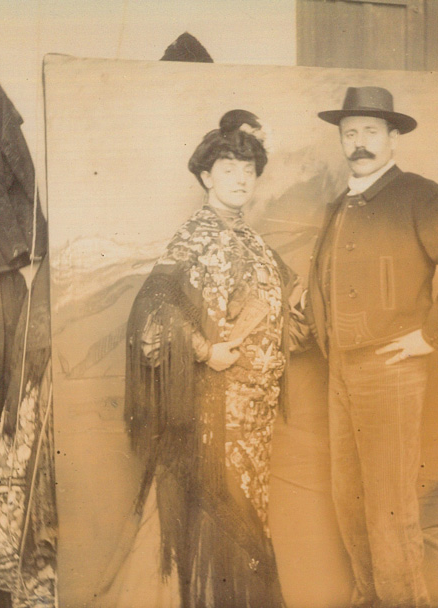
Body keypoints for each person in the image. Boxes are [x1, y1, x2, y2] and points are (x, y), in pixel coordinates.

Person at [307, 86, 438, 607]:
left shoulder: (419, 195)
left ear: (394, 137)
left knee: (388, 510)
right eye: (350, 134)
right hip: (341, 372)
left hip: (390, 372)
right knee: (348, 503)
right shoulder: (340, 204)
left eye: (371, 132)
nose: (359, 143)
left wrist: (431, 336)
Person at [108, 110, 305, 608]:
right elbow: (152, 313)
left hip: (255, 417)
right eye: (228, 169)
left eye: (248, 170)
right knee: (220, 516)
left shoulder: (252, 240)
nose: (240, 179)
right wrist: (203, 350)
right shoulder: (194, 236)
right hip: (213, 407)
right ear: (205, 176)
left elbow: (288, 298)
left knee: (248, 516)